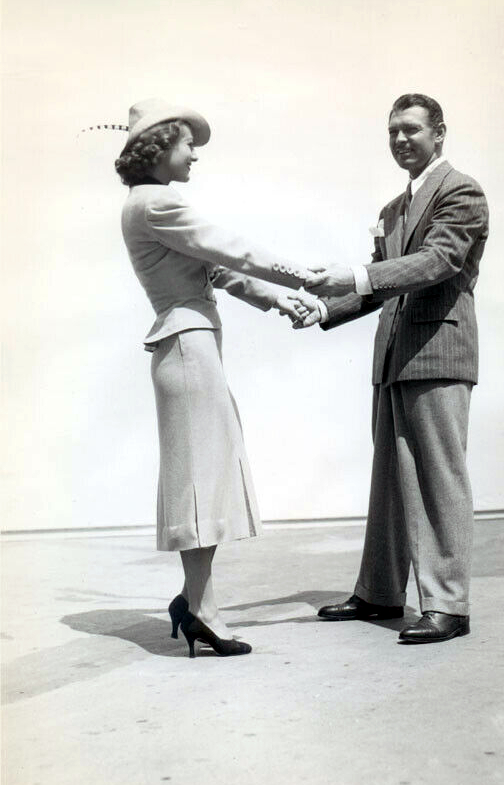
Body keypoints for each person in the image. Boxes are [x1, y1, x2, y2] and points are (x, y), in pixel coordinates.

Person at [115, 99, 314, 657]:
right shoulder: (155, 204)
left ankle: (195, 602)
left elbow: (222, 271)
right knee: (200, 484)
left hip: (192, 346)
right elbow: (233, 249)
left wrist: (281, 300)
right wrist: (307, 279)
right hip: (185, 347)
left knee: (207, 479)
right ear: (157, 149)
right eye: (187, 144)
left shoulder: (156, 205)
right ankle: (203, 609)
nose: (194, 154)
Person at [295, 93, 489, 643]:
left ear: (440, 132)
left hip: (438, 354)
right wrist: (322, 309)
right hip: (394, 358)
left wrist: (355, 276)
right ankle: (380, 592)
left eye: (411, 129)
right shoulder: (391, 209)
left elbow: (436, 262)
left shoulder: (462, 192)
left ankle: (449, 606)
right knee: (389, 481)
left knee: (438, 480)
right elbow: (384, 281)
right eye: (392, 132)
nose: (401, 140)